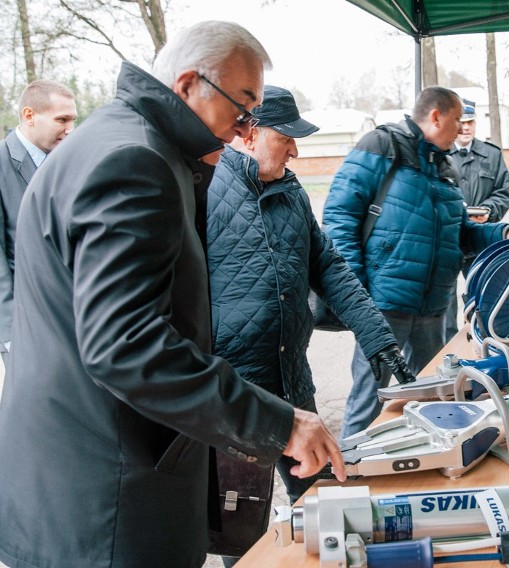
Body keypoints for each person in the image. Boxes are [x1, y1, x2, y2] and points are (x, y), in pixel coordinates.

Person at [0, 21, 345, 568]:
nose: (241, 131)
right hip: (107, 496)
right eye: (241, 109)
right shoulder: (135, 162)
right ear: (187, 85)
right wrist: (280, 422)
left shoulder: (116, 138)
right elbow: (126, 345)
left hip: (76, 475)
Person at [206, 85, 414, 564]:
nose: (296, 150)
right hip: (238, 395)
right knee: (240, 531)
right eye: (287, 138)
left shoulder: (290, 189)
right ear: (251, 134)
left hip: (292, 379)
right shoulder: (207, 189)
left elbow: (329, 266)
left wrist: (376, 334)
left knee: (323, 499)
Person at [323, 86, 509, 439]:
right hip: (383, 305)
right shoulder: (380, 146)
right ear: (436, 117)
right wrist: (355, 296)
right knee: (370, 397)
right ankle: (350, 471)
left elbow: (458, 231)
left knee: (432, 393)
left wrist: (504, 233)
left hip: (432, 306)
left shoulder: (442, 165)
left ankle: (421, 461)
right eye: (457, 119)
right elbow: (339, 219)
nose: (462, 127)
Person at [0, 79, 77, 365]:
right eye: (62, 120)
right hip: (26, 324)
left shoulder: (69, 162)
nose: (71, 129)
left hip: (75, 317)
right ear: (30, 116)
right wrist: (9, 334)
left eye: (73, 120)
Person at [444, 98, 509, 341]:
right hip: (450, 240)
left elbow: (502, 193)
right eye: (461, 122)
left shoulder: (491, 155)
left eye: (470, 122)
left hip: (480, 239)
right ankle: (449, 346)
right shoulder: (441, 155)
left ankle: (481, 338)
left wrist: (488, 211)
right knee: (445, 299)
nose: (465, 127)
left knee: (482, 293)